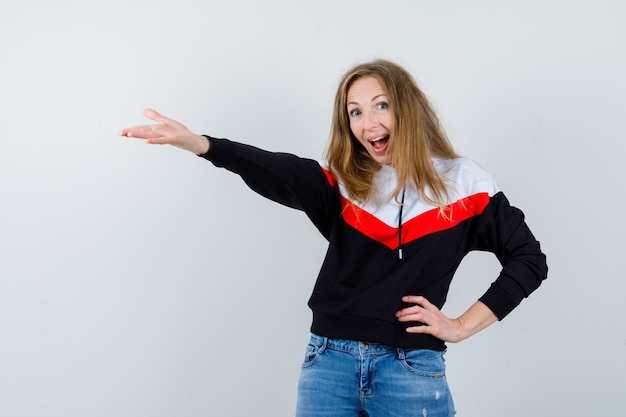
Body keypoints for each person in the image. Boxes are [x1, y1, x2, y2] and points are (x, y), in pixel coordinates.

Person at [120, 59, 547, 417]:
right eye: (355, 111)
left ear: (408, 109)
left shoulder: (463, 183)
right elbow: (276, 168)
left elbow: (528, 259)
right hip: (327, 364)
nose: (369, 122)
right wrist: (203, 145)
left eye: (382, 105)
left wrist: (459, 326)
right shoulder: (342, 181)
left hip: (411, 368)